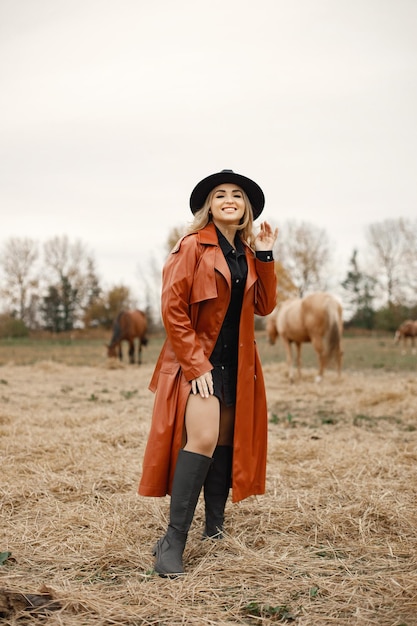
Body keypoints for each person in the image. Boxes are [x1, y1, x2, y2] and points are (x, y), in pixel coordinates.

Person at [138, 169, 278, 577]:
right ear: (210, 207)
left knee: (225, 441)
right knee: (201, 439)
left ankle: (214, 528)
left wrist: (267, 255)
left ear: (246, 208)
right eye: (220, 195)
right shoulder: (190, 247)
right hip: (199, 361)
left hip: (239, 364)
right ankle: (172, 540)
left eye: (237, 195)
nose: (229, 199)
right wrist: (195, 364)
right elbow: (173, 309)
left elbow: (265, 306)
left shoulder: (249, 254)